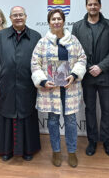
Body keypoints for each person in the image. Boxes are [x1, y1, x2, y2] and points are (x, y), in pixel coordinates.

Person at [31, 9, 86, 168]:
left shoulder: (73, 40)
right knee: (53, 120)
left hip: (70, 87)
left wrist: (74, 74)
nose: (56, 22)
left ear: (63, 21)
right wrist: (42, 81)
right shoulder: (42, 42)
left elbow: (82, 59)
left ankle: (72, 152)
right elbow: (35, 64)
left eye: (59, 19)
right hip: (51, 89)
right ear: (49, 22)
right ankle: (56, 151)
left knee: (70, 120)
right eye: (53, 19)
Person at [0, 6, 41, 162]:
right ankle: (6, 149)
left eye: (21, 15)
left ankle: (28, 149)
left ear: (26, 16)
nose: (18, 17)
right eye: (15, 15)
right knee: (6, 115)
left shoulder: (36, 36)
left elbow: (41, 61)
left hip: (28, 84)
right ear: (10, 18)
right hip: (6, 84)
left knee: (27, 115)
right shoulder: (1, 35)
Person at [71, 0, 109, 157]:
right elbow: (74, 51)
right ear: (86, 6)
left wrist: (101, 67)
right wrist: (90, 67)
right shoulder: (77, 26)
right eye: (90, 4)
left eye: (95, 4)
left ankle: (106, 140)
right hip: (87, 76)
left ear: (100, 6)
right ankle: (92, 140)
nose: (93, 7)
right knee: (90, 109)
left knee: (106, 109)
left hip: (105, 75)